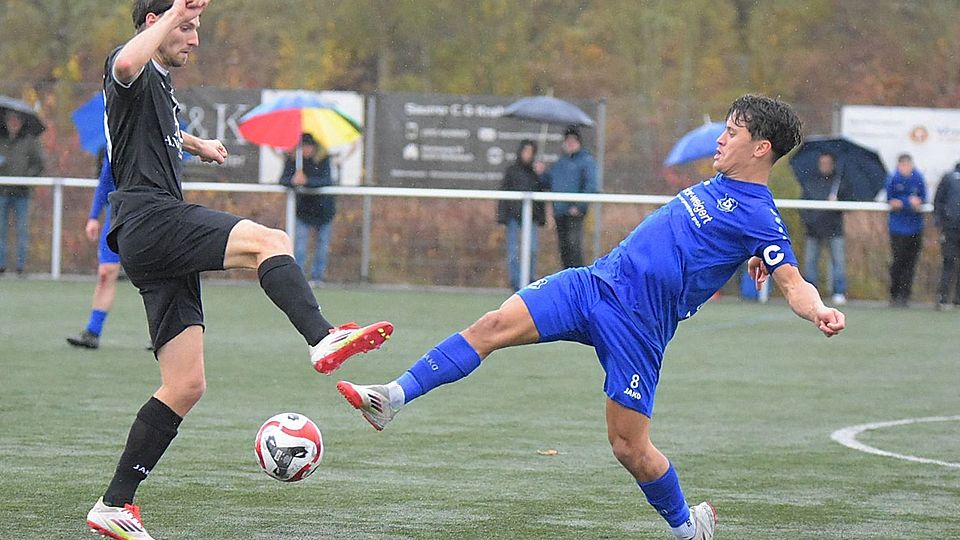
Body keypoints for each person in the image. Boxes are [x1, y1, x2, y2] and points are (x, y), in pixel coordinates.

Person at [338, 95, 846, 540]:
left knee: (628, 447)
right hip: (594, 285)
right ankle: (392, 397)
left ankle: (688, 527)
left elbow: (794, 283)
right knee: (490, 326)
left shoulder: (760, 214)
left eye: (731, 133)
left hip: (638, 330)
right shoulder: (718, 183)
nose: (719, 141)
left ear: (761, 149)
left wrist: (819, 309)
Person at [84, 2, 393, 538]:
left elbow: (155, 134)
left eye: (196, 27)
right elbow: (123, 69)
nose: (195, 39)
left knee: (185, 384)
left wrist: (198, 144)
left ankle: (114, 504)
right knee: (268, 241)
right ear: (154, 20)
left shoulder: (160, 86)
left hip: (146, 235)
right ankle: (320, 337)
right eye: (187, 26)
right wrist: (172, 12)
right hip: (151, 218)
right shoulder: (131, 66)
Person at [67, 157, 122, 349]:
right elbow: (106, 179)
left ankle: (160, 334)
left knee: (154, 276)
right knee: (106, 273)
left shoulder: (155, 139)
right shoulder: (113, 140)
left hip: (147, 213)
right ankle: (92, 332)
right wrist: (93, 216)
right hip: (116, 215)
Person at [278, 134, 336, 286]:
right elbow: (283, 180)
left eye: (309, 146)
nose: (306, 150)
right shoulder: (294, 161)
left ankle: (318, 277)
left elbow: (326, 181)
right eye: (303, 146)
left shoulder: (324, 159)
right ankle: (299, 278)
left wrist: (307, 181)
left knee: (322, 246)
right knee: (300, 246)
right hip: (303, 212)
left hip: (324, 211)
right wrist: (293, 181)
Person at [496, 139, 548, 291]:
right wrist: (503, 216)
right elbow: (504, 193)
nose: (527, 155)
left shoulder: (535, 173)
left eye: (531, 152)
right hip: (513, 217)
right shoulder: (511, 171)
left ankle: (529, 283)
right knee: (513, 252)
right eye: (525, 151)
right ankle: (516, 285)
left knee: (531, 251)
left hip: (530, 218)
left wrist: (541, 175)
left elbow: (544, 189)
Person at [544, 124, 598, 268]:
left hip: (574, 213)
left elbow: (591, 186)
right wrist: (540, 172)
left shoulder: (586, 161)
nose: (570, 143)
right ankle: (567, 282)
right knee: (564, 249)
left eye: (573, 140)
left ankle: (578, 283)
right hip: (560, 212)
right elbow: (548, 181)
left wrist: (579, 206)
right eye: (567, 140)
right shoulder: (560, 163)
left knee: (574, 248)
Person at [0, 109, 45, 275]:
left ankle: (21, 266)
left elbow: (39, 164)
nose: (13, 124)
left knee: (22, 230)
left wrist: (27, 178)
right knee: (1, 230)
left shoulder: (29, 141)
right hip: (2, 192)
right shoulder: (2, 140)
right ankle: (1, 265)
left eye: (16, 120)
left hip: (21, 193)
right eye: (10, 120)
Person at [799, 151, 847, 305]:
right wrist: (810, 220)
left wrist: (838, 201)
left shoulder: (839, 183)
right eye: (822, 163)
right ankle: (810, 292)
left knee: (838, 261)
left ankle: (839, 291)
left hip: (834, 228)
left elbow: (848, 203)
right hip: (813, 229)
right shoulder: (811, 182)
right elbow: (803, 206)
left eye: (828, 163)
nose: (825, 166)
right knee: (810, 262)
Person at [885, 153, 926, 307]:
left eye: (908, 165)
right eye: (903, 165)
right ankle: (894, 293)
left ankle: (905, 295)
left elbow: (923, 198)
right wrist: (907, 202)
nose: (906, 168)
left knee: (911, 262)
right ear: (899, 165)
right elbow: (891, 200)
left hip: (915, 227)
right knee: (898, 261)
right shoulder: (893, 178)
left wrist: (909, 203)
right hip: (897, 228)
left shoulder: (918, 178)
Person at [933, 161, 960, 310]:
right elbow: (939, 200)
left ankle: (958, 299)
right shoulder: (950, 177)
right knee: (949, 262)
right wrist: (939, 222)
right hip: (951, 228)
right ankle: (943, 298)